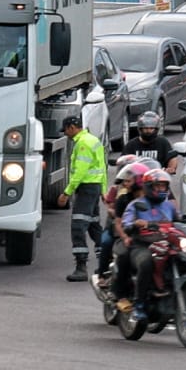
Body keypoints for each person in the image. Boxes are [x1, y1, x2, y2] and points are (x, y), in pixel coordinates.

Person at [119, 168, 179, 321]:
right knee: (146, 263)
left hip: (166, 244)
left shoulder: (169, 206)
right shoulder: (136, 204)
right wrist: (135, 224)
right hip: (142, 245)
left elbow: (180, 221)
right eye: (157, 186)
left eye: (163, 186)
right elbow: (126, 223)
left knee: (184, 257)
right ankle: (138, 304)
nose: (161, 189)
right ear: (148, 186)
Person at [58, 115, 107, 282]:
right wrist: (103, 190)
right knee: (94, 226)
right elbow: (102, 166)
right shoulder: (93, 140)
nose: (66, 134)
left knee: (78, 226)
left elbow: (80, 171)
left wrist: (67, 192)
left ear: (72, 127)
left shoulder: (83, 144)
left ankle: (81, 267)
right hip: (94, 188)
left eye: (66, 130)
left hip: (85, 189)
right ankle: (106, 264)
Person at [98, 159, 150, 286]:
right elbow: (116, 217)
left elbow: (169, 210)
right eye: (125, 180)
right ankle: (103, 274)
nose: (125, 183)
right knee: (106, 242)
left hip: (147, 233)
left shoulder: (154, 196)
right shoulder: (122, 196)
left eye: (129, 180)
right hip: (120, 230)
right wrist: (125, 236)